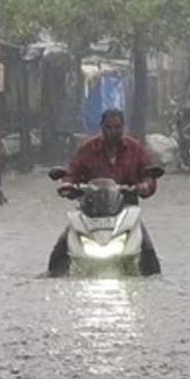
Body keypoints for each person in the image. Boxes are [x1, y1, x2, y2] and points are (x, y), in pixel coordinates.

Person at [48, 109, 161, 276]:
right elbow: (71, 172)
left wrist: (144, 186)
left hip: (126, 212)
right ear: (101, 127)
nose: (113, 132)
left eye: (117, 127)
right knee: (60, 250)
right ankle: (52, 278)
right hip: (90, 211)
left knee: (148, 254)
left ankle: (154, 281)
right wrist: (67, 185)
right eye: (108, 127)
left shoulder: (135, 149)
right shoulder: (87, 149)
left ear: (123, 128)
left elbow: (148, 175)